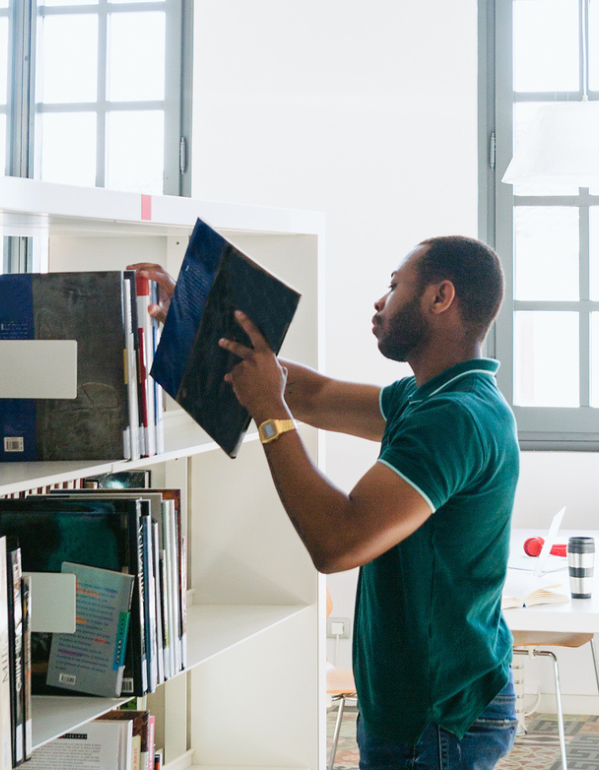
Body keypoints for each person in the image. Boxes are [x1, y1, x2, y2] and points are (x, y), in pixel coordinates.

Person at [129, 235, 520, 770]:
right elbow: (311, 395)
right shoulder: (428, 397)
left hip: (435, 718)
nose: (380, 302)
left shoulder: (453, 417)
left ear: (440, 297)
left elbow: (338, 541)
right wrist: (196, 319)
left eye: (394, 285)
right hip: (424, 709)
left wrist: (268, 412)